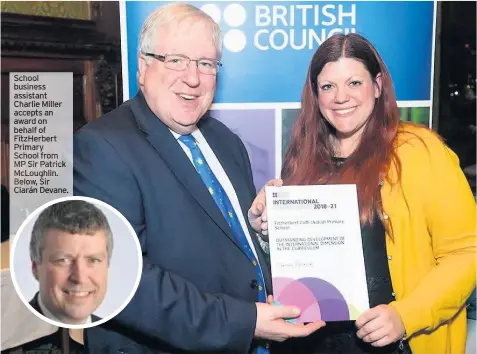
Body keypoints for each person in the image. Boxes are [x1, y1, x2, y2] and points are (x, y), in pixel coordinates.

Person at [73, 3, 324, 353]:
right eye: (175, 59)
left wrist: (261, 231)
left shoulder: (225, 141)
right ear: (143, 67)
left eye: (206, 64)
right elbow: (120, 279)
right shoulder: (102, 147)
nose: (193, 78)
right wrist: (246, 322)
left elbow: (228, 248)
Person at [248, 33, 476, 354]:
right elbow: (305, 258)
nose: (341, 97)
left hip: (394, 344)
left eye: (354, 82)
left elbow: (466, 253)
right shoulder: (302, 158)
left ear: (378, 85)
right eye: (328, 86)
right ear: (315, 94)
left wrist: (405, 316)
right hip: (313, 344)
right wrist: (268, 232)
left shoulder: (419, 151)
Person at [29, 199, 112, 326]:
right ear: (35, 267)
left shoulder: (124, 337)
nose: (80, 278)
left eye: (93, 260)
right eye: (63, 260)